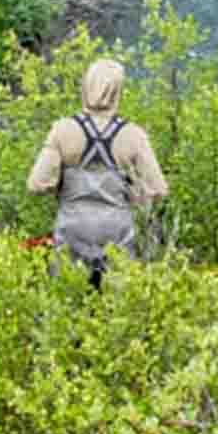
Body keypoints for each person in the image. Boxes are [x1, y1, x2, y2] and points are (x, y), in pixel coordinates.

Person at [28, 56, 167, 286]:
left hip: (72, 229)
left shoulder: (62, 130)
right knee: (117, 308)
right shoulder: (133, 135)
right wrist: (134, 193)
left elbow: (36, 184)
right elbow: (158, 189)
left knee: (69, 303)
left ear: (86, 87)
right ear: (118, 91)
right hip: (117, 232)